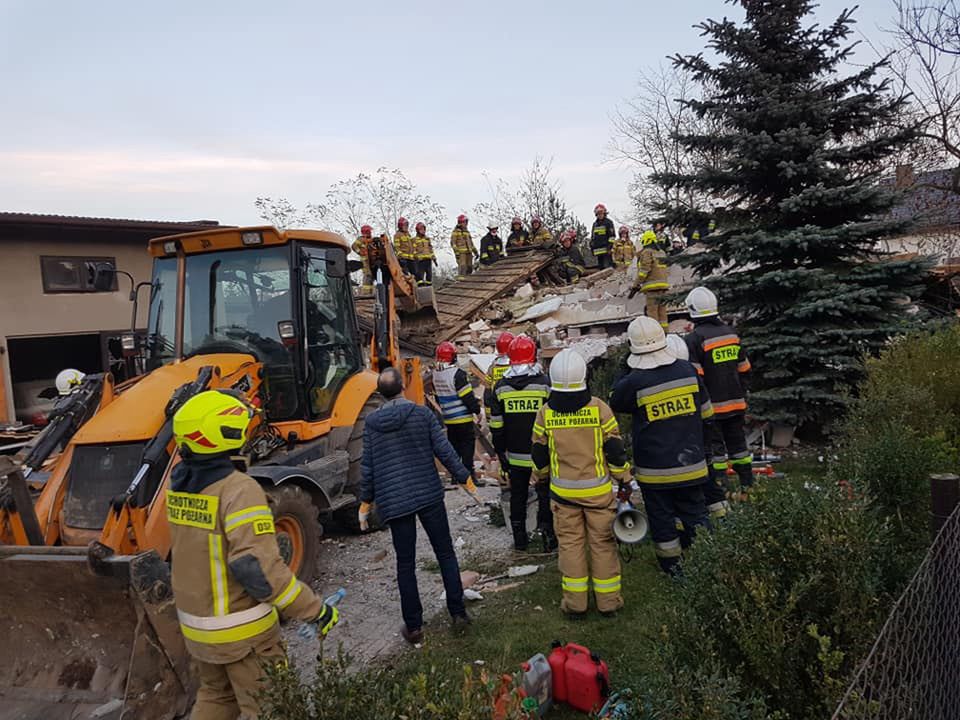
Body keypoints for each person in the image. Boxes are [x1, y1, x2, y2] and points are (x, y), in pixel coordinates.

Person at [166, 390, 340, 719]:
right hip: (242, 633)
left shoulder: (180, 488)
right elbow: (258, 571)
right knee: (275, 708)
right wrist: (314, 609)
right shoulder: (239, 490)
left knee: (217, 698)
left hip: (199, 628)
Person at [359, 367, 474, 643]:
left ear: (380, 393)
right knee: (445, 553)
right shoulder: (421, 413)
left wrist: (365, 502)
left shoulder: (372, 423)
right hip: (428, 495)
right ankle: (458, 613)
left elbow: (368, 467)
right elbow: (444, 450)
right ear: (402, 387)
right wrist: (464, 478)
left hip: (395, 501)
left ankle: (414, 627)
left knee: (405, 563)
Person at [610, 317, 713, 575]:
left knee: (662, 521)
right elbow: (706, 413)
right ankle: (706, 562)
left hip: (655, 472)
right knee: (696, 515)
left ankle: (673, 570)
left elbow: (616, 400)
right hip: (691, 463)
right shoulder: (687, 371)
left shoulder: (634, 382)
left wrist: (626, 366)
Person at [532, 349, 629, 617]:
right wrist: (624, 478)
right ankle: (609, 602)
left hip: (563, 496)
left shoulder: (545, 413)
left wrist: (540, 478)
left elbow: (539, 455)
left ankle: (575, 605)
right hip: (598, 495)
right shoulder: (600, 408)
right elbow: (615, 450)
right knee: (603, 546)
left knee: (571, 547)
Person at [683, 286, 754, 495]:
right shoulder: (731, 334)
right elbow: (745, 369)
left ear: (692, 310)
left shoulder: (695, 340)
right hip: (736, 403)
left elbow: (696, 378)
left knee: (716, 450)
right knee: (739, 446)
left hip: (711, 408)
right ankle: (748, 487)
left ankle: (720, 490)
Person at [488, 335, 554, 552]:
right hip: (541, 455)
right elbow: (551, 421)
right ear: (533, 356)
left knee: (518, 495)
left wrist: (501, 454)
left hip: (514, 456)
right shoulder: (544, 384)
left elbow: (496, 426)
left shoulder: (500, 387)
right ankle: (548, 536)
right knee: (545, 494)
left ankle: (520, 540)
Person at [665, 333, 729, 522]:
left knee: (688, 495)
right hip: (699, 445)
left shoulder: (661, 382)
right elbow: (707, 414)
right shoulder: (692, 377)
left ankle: (689, 525)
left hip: (679, 453)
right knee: (708, 485)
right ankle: (724, 520)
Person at [432, 341, 481, 484]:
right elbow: (467, 396)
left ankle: (455, 476)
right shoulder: (458, 374)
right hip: (463, 418)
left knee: (454, 448)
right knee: (467, 447)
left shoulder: (436, 374)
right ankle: (468, 476)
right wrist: (477, 411)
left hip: (448, 419)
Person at [484, 331, 515, 498]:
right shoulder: (517, 365)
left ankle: (505, 486)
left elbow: (488, 393)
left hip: (498, 415)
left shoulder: (493, 366)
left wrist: (490, 417)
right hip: (513, 414)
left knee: (502, 452)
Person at [631, 223, 670, 329]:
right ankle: (665, 333)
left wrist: (636, 284)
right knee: (662, 313)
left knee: (652, 313)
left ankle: (655, 333)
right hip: (663, 286)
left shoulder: (647, 252)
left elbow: (644, 270)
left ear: (646, 241)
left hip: (652, 288)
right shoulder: (661, 252)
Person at [451, 214, 477, 279]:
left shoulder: (467, 232)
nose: (466, 223)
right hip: (461, 253)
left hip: (469, 253)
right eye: (465, 222)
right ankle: (461, 281)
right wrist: (456, 253)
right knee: (463, 267)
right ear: (460, 222)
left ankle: (468, 280)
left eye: (466, 222)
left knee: (470, 267)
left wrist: (475, 252)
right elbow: (453, 243)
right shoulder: (455, 232)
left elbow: (471, 243)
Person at [590, 204, 616, 269]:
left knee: (608, 268)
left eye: (601, 213)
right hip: (598, 250)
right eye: (598, 213)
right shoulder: (595, 224)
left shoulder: (608, 222)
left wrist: (609, 247)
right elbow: (593, 237)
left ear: (604, 213)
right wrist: (592, 246)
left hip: (606, 250)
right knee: (600, 268)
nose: (600, 215)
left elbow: (612, 236)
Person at [351, 224, 374, 294]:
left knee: (371, 277)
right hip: (365, 262)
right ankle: (366, 293)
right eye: (369, 231)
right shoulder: (361, 239)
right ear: (366, 232)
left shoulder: (371, 240)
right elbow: (354, 246)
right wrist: (360, 252)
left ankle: (370, 293)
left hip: (371, 261)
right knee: (367, 276)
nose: (370, 232)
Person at [413, 222, 437, 286]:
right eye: (421, 229)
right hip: (420, 261)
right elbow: (414, 250)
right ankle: (421, 288)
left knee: (429, 276)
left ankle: (428, 288)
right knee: (420, 277)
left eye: (424, 229)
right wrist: (416, 257)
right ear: (417, 230)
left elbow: (430, 249)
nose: (423, 231)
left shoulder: (427, 239)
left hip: (428, 260)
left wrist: (434, 258)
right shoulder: (415, 240)